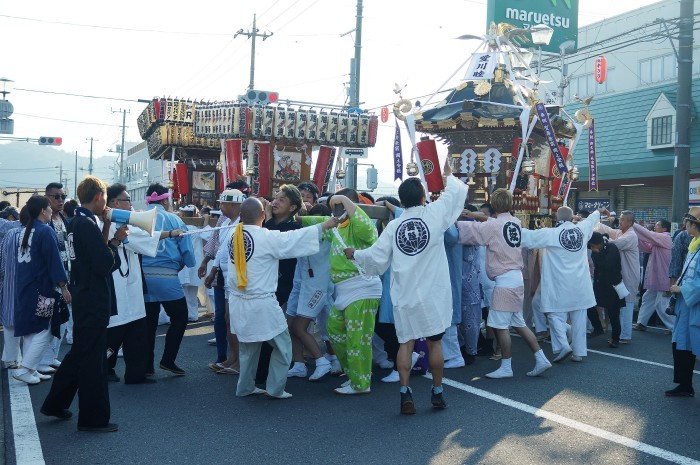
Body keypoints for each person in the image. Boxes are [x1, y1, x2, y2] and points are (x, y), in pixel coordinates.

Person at [346, 169, 468, 414]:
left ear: (400, 200)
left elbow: (375, 258)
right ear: (423, 198)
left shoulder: (394, 226)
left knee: (406, 344)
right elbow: (456, 192)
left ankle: (405, 393)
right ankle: (437, 391)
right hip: (433, 293)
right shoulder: (434, 214)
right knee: (435, 344)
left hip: (405, 294)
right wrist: (448, 176)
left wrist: (355, 254)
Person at [228, 198, 337, 398]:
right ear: (263, 216)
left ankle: (245, 387)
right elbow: (294, 239)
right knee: (283, 345)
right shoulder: (266, 238)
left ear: (241, 217)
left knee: (248, 348)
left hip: (238, 301)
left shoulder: (232, 235)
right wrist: (324, 225)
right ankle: (275, 389)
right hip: (261, 302)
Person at [42, 176, 123, 432]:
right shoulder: (86, 224)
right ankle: (92, 419)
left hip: (84, 295)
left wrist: (107, 230)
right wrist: (116, 241)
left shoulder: (76, 221)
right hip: (93, 298)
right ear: (99, 196)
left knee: (80, 355)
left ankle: (55, 403)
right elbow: (104, 264)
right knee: (93, 363)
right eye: (106, 199)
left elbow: (93, 256)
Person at [458, 189, 552, 378]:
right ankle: (541, 358)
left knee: (501, 326)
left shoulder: (493, 226)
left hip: (504, 282)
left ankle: (506, 366)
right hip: (515, 278)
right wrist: (474, 214)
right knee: (519, 323)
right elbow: (492, 222)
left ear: (493, 205)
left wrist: (453, 219)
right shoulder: (514, 222)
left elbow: (472, 231)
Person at [304, 188, 383, 395]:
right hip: (344, 290)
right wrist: (297, 215)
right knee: (335, 331)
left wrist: (344, 200)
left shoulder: (363, 227)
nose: (335, 212)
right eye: (333, 208)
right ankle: (355, 376)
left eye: (339, 206)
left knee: (359, 339)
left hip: (362, 287)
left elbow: (364, 226)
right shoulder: (336, 226)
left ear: (351, 205)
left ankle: (361, 384)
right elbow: (313, 223)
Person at [105, 183, 175, 384]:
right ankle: (104, 367)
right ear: (115, 203)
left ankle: (135, 373)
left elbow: (143, 239)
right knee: (115, 332)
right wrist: (170, 234)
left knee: (136, 331)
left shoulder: (125, 224)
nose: (131, 204)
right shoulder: (106, 225)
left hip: (132, 285)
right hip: (117, 286)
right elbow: (139, 240)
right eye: (128, 200)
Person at [521, 207, 604, 363]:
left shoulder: (550, 233)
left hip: (559, 284)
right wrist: (600, 211)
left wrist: (504, 226)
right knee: (579, 319)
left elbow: (527, 237)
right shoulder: (581, 229)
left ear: (556, 217)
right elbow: (592, 219)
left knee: (554, 314)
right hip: (580, 284)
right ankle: (579, 353)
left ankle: (563, 346)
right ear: (572, 217)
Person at [12, 197, 70, 385]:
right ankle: (25, 368)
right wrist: (63, 286)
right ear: (43, 211)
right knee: (44, 329)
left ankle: (31, 369)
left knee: (31, 329)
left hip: (25, 286)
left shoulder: (24, 231)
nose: (51, 211)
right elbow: (54, 262)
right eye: (48, 208)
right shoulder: (45, 231)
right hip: (41, 289)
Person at [142, 183, 196, 376]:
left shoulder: (139, 218)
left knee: (149, 323)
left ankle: (146, 366)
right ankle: (168, 360)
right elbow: (187, 250)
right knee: (180, 316)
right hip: (166, 275)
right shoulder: (174, 219)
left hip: (142, 277)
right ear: (165, 200)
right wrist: (188, 263)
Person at [200, 181, 249, 370]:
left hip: (238, 279)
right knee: (225, 319)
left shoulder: (244, 223)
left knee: (233, 320)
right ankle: (231, 358)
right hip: (224, 277)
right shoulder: (226, 222)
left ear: (235, 205)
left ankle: (237, 360)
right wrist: (212, 269)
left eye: (223, 204)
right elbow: (221, 250)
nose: (220, 207)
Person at [286, 202, 335, 381]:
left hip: (318, 287)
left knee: (304, 327)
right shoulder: (305, 233)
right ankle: (298, 364)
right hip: (300, 284)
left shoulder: (331, 234)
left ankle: (322, 361)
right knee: (291, 325)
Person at [665, 208, 700, 397]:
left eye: (687, 222)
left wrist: (683, 289)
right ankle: (685, 385)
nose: (684, 225)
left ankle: (686, 385)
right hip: (686, 305)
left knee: (689, 345)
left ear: (695, 225)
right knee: (681, 345)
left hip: (694, 305)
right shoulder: (694, 244)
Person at [41, 182, 73, 367]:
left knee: (62, 318)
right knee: (45, 320)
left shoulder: (64, 220)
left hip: (66, 277)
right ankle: (38, 361)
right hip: (49, 281)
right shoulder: (42, 223)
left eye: (63, 197)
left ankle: (50, 357)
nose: (61, 200)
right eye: (56, 197)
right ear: (47, 198)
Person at [598, 211, 640, 343]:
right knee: (621, 304)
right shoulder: (621, 232)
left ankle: (625, 335)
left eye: (622, 220)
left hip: (629, 275)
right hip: (623, 274)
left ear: (630, 223)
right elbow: (609, 230)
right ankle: (621, 333)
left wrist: (601, 239)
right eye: (620, 219)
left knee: (627, 304)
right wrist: (592, 222)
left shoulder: (630, 236)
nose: (620, 222)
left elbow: (613, 244)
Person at [632, 220, 673, 331]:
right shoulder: (657, 240)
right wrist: (635, 233)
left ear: (665, 229)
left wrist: (633, 224)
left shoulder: (665, 237)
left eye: (658, 225)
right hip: (657, 278)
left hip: (663, 278)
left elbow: (648, 235)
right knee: (647, 298)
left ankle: (675, 327)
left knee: (662, 304)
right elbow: (645, 245)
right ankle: (641, 323)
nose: (655, 226)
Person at [0, 206, 26, 369]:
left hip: (9, 281)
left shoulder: (10, 231)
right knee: (23, 325)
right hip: (23, 283)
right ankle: (19, 359)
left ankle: (12, 358)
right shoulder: (20, 231)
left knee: (11, 322)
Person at [588, 232, 625, 348]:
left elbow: (606, 265)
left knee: (614, 313)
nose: (592, 249)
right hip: (600, 283)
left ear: (598, 244)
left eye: (593, 246)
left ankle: (615, 338)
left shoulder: (612, 247)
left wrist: (597, 254)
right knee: (589, 305)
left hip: (613, 285)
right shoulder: (595, 249)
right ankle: (598, 327)